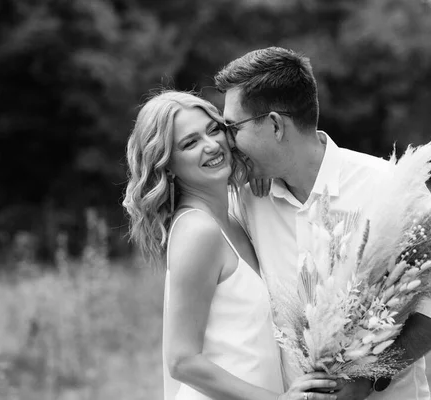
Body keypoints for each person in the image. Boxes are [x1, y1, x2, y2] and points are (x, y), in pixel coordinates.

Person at [214, 47, 431, 400]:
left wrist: (370, 378)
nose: (226, 141)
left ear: (275, 125)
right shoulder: (244, 201)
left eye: (232, 127)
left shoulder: (388, 185)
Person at [122, 91, 339, 400]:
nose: (211, 145)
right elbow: (182, 361)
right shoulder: (199, 231)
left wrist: (261, 168)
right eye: (189, 143)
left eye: (214, 130)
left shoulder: (236, 215)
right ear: (167, 164)